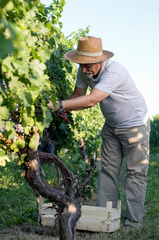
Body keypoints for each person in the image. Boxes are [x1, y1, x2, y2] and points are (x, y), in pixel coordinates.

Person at [49, 36, 150, 228]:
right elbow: (79, 95)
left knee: (135, 173)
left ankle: (132, 220)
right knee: (107, 170)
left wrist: (58, 105)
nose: (85, 69)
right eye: (82, 64)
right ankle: (105, 215)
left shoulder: (115, 71)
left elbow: (92, 100)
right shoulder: (84, 71)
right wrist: (66, 108)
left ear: (101, 60)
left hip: (135, 124)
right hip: (112, 126)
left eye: (88, 65)